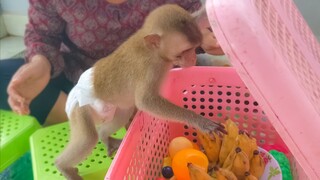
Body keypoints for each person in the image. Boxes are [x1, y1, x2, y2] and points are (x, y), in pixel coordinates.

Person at [0, 0, 224, 126]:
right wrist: (41, 64)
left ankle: (113, 120)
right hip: (86, 76)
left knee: (218, 109)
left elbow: (196, 21)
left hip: (156, 79)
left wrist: (205, 36)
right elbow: (43, 35)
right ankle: (91, 119)